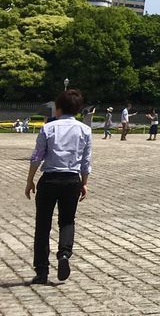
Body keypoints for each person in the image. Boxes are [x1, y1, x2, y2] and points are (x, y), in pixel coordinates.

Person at [25, 88, 92, 285]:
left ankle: (42, 271)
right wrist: (84, 183)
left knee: (43, 225)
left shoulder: (48, 128)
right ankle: (64, 254)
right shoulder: (85, 130)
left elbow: (37, 156)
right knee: (67, 221)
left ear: (59, 108)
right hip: (72, 180)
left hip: (50, 180)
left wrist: (30, 181)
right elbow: (86, 161)